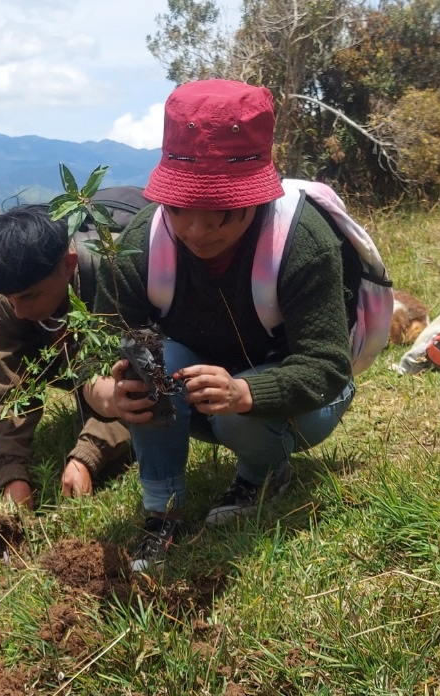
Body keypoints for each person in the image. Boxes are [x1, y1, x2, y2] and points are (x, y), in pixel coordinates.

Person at [82, 79, 359, 570]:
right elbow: (101, 348)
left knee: (238, 412)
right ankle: (160, 512)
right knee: (145, 366)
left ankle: (261, 474)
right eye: (182, 207)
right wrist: (103, 392)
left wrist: (245, 395)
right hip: (198, 390)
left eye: (220, 213)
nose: (196, 230)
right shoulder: (140, 246)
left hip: (301, 397)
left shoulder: (301, 244)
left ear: (255, 198)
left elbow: (327, 365)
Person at [0, 202, 135, 508]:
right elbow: (4, 389)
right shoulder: (14, 289)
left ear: (68, 262)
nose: (18, 311)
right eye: (10, 299)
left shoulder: (113, 280)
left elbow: (131, 392)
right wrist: (10, 470)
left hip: (96, 369)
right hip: (53, 357)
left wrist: (89, 455)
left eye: (28, 297)